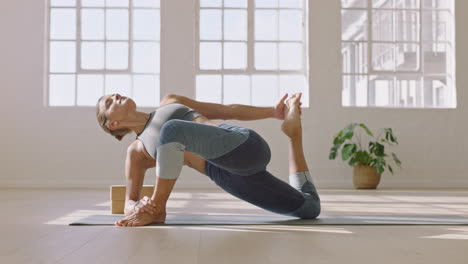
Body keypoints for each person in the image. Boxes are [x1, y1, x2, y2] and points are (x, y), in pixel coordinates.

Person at [95, 92, 321, 227]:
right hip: (226, 176)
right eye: (109, 103)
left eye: (114, 94)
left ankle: (159, 209)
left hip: (242, 145)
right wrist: (138, 205)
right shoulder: (137, 151)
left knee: (171, 129)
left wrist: (273, 112)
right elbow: (128, 203)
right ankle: (294, 135)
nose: (115, 96)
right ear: (112, 125)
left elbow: (227, 110)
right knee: (309, 209)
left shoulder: (170, 102)